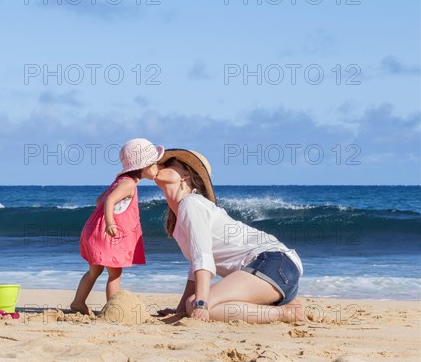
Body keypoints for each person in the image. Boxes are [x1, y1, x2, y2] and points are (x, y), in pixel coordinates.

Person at [154, 149, 306, 323]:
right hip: (277, 273)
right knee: (191, 306)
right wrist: (180, 311)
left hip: (273, 264)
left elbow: (202, 257)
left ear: (185, 175)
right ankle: (279, 306)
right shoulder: (181, 215)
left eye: (168, 164)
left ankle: (286, 314)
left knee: (196, 305)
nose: (161, 166)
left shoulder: (191, 203)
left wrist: (201, 304)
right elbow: (194, 268)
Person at [70, 138, 164, 316]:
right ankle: (112, 310)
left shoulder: (120, 180)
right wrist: (111, 222)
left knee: (94, 271)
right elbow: (110, 201)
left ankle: (78, 302)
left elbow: (100, 201)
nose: (157, 168)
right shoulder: (128, 184)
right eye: (155, 164)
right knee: (115, 273)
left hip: (93, 230)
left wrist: (108, 216)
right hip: (107, 234)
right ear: (144, 166)